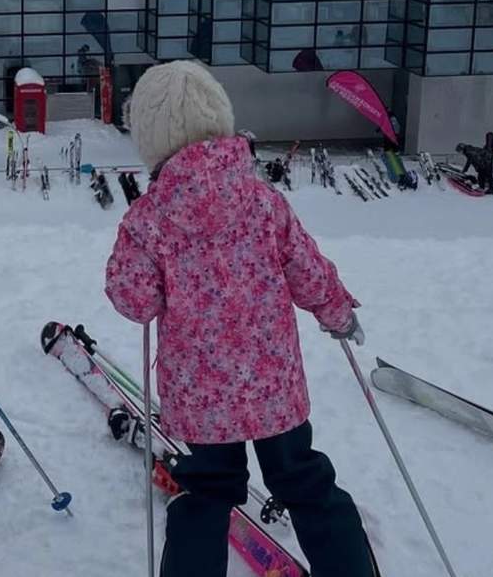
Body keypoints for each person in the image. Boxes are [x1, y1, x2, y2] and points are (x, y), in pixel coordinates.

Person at [105, 60, 375, 577]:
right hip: (274, 388)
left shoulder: (150, 218)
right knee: (305, 483)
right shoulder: (261, 201)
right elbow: (305, 266)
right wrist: (336, 311)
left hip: (202, 399)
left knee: (205, 495)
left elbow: (134, 299)